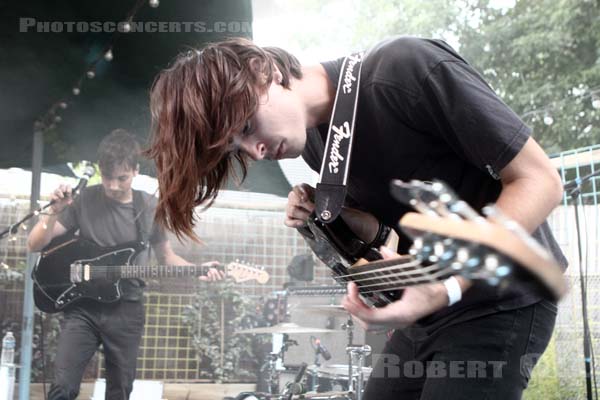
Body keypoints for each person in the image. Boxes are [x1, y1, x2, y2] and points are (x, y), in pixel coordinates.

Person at [145, 37, 568, 399]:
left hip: (502, 299)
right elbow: (393, 237)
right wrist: (333, 218)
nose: (254, 151)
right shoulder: (315, 146)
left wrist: (448, 285)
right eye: (237, 146)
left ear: (264, 72)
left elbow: (540, 181)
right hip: (426, 312)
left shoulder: (405, 70)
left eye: (246, 125)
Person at [28, 129, 224, 400]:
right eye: (108, 177)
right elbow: (35, 244)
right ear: (99, 171)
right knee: (62, 387)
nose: (114, 185)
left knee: (119, 391)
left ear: (134, 171)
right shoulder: (83, 199)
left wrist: (198, 270)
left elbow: (166, 258)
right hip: (82, 307)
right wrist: (53, 211)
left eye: (122, 178)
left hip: (126, 309)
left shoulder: (149, 207)